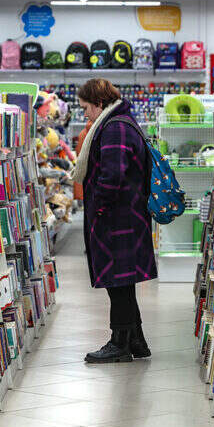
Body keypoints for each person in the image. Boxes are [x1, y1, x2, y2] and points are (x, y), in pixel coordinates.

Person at [71, 78, 157, 363]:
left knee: (118, 282)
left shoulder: (114, 128)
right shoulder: (119, 122)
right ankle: (137, 340)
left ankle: (119, 343)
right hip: (126, 215)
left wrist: (98, 208)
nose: (85, 114)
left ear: (99, 103)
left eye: (86, 108)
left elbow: (112, 174)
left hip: (118, 218)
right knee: (123, 281)